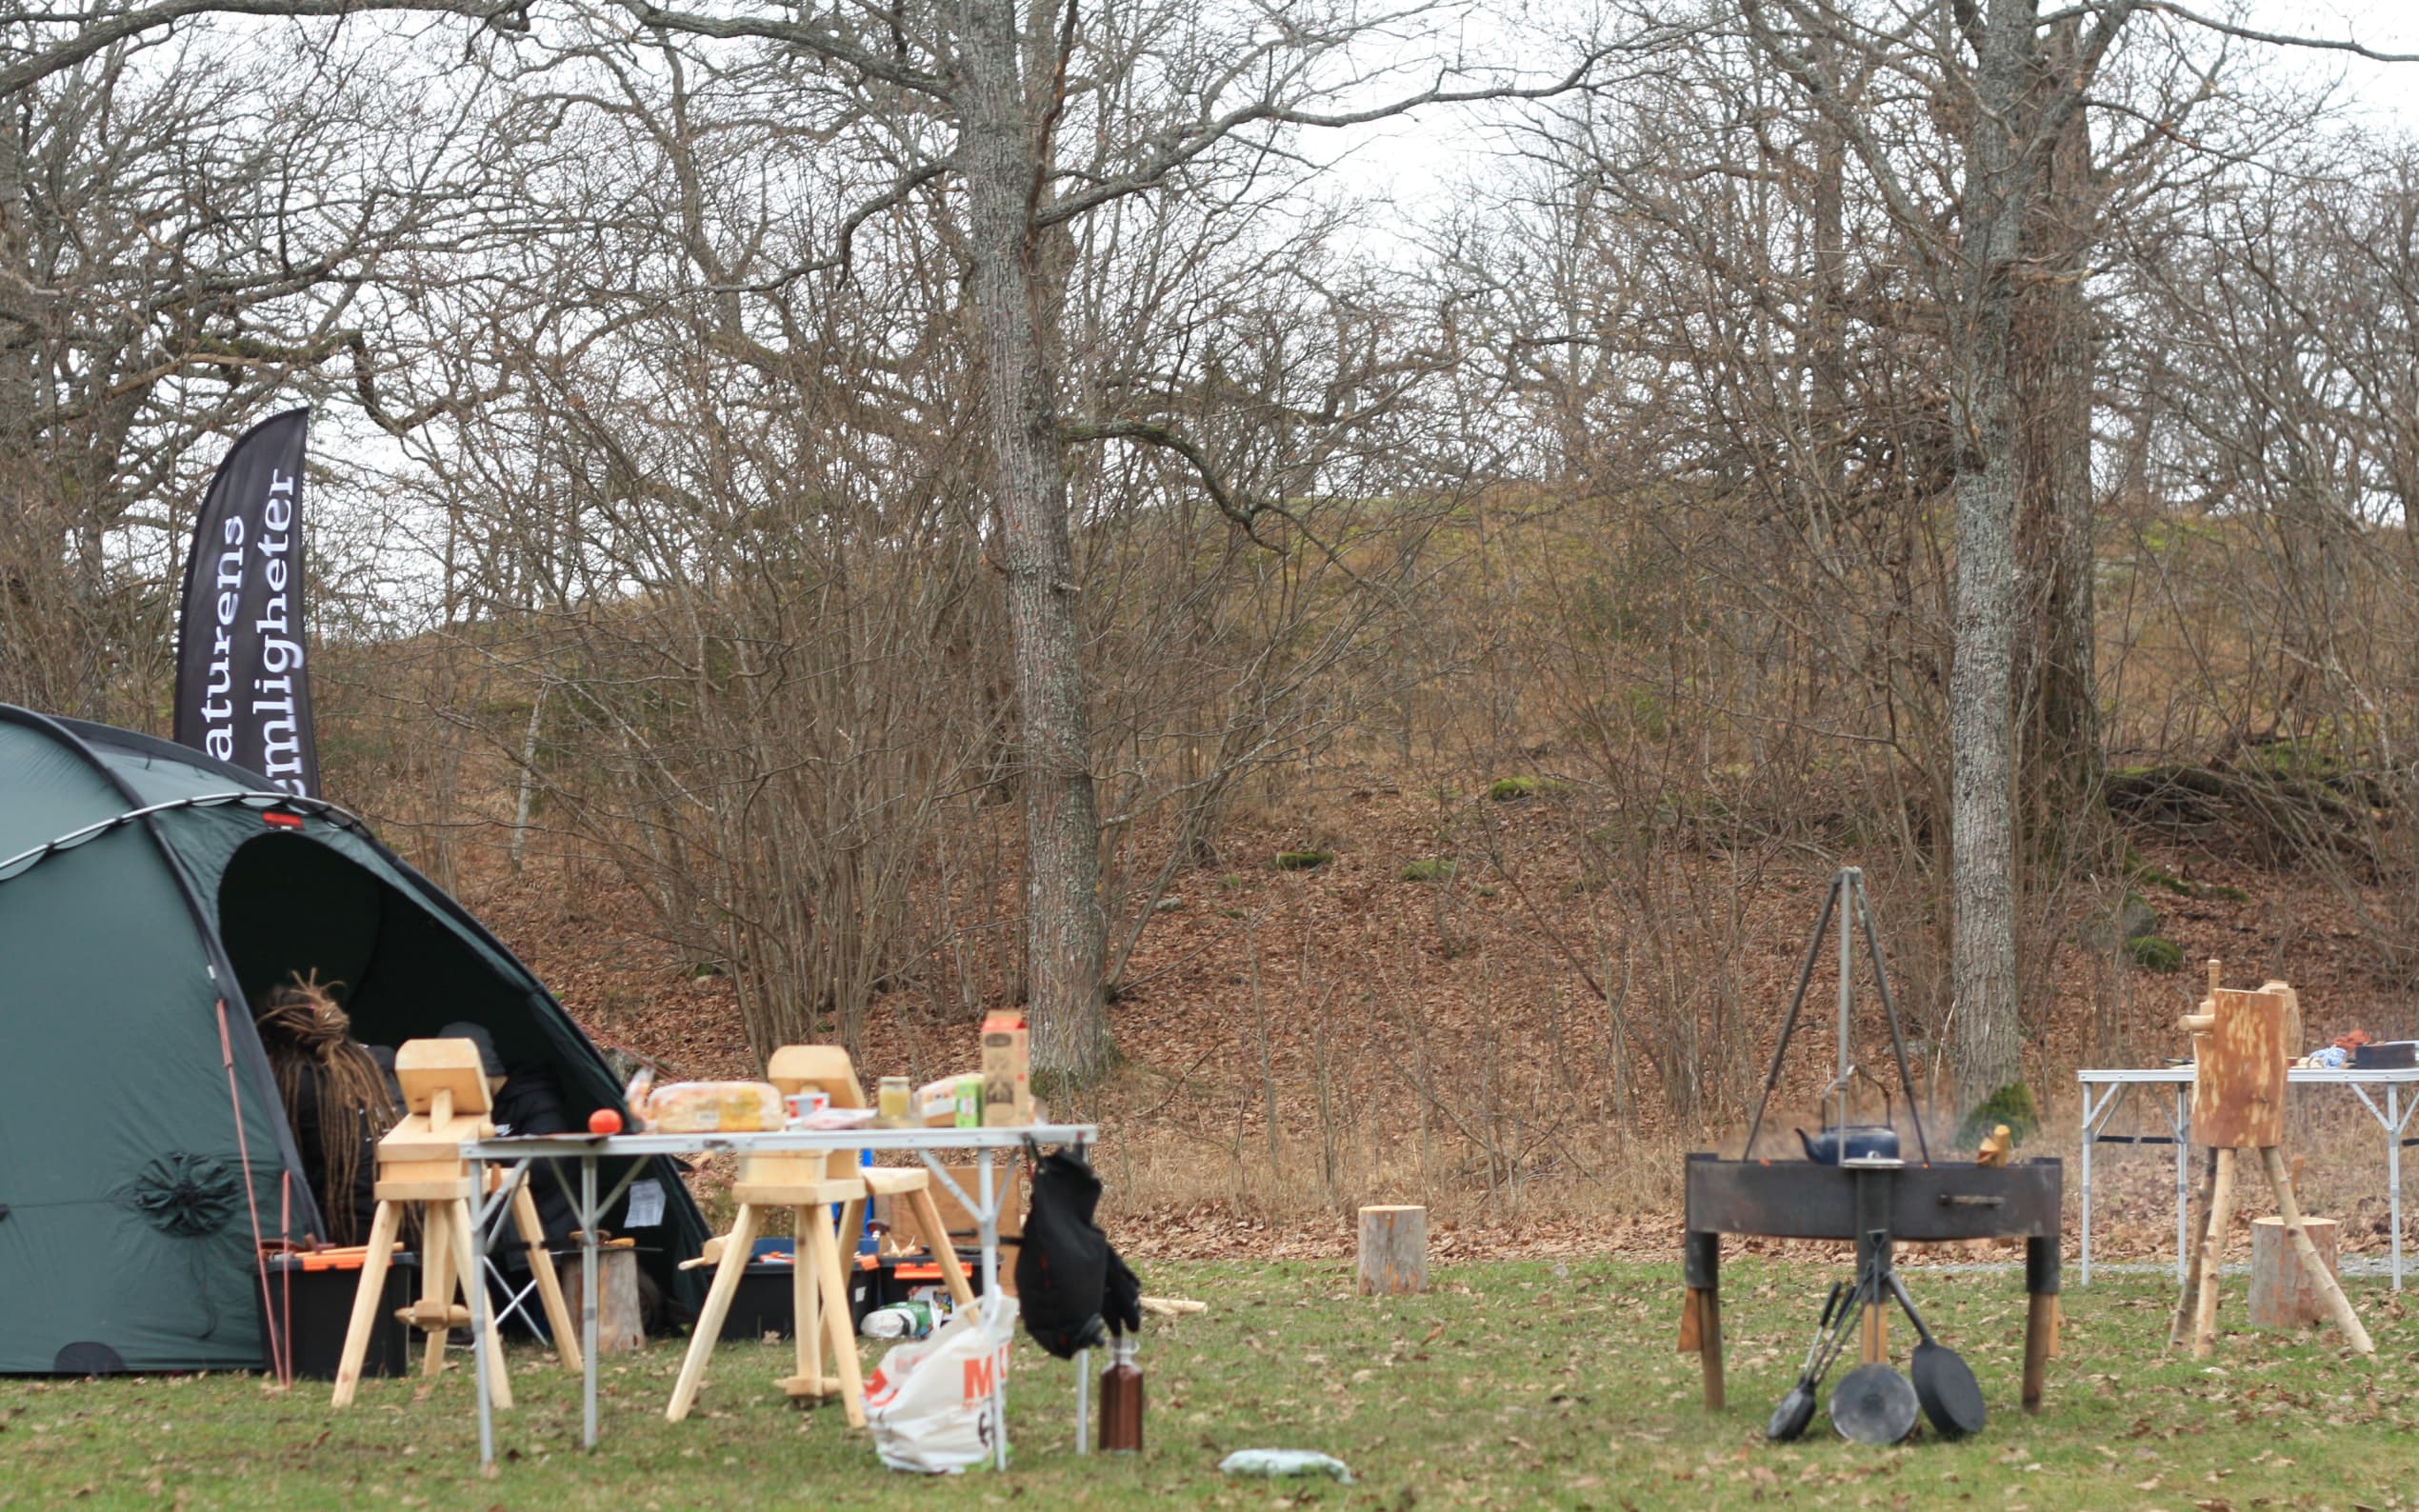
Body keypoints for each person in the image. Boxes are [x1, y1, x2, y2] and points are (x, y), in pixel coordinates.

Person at [255, 972, 397, 1246]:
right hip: (413, 1221)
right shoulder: (371, 1066)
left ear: (277, 1047)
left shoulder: (299, 1085)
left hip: (357, 1238)